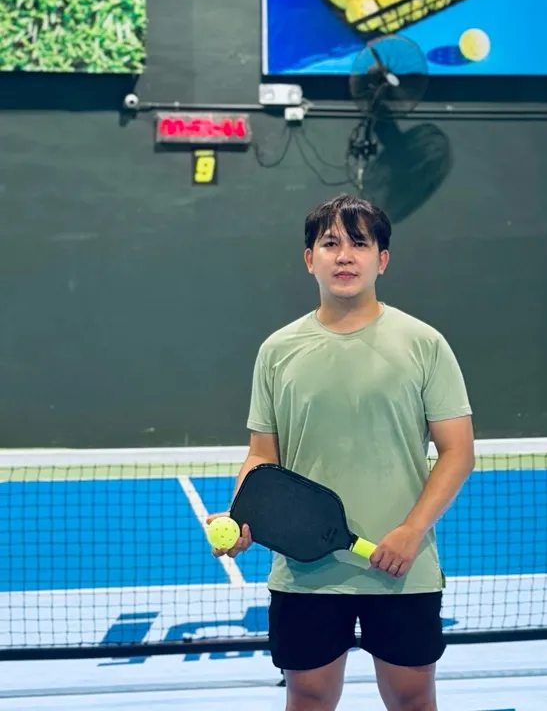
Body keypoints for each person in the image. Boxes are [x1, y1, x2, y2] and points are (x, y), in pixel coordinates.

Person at [208, 194, 474, 711]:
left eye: (360, 243)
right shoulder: (277, 351)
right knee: (307, 699)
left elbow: (457, 452)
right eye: (331, 244)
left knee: (414, 701)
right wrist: (244, 516)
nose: (345, 255)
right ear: (310, 259)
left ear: (382, 259)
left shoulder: (424, 344)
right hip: (305, 574)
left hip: (402, 570)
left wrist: (410, 531)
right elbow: (262, 456)